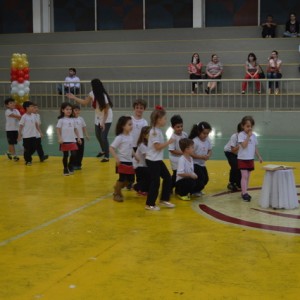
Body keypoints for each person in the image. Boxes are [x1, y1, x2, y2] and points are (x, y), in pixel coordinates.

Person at [67, 78, 113, 162]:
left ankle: (107, 156)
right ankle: (103, 150)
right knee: (98, 135)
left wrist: (103, 123)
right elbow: (84, 102)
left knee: (103, 137)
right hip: (98, 117)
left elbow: (106, 112)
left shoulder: (104, 96)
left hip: (107, 118)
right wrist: (74, 97)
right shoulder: (92, 93)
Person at [145, 105, 175, 211]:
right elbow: (157, 147)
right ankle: (150, 204)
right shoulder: (154, 132)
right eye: (164, 118)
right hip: (152, 160)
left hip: (157, 160)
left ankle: (164, 199)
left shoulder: (158, 130)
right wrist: (169, 142)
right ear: (158, 120)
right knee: (155, 181)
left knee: (167, 177)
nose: (165, 120)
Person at [110, 116, 137, 202]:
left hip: (129, 161)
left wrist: (135, 156)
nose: (131, 126)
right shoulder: (120, 137)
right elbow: (111, 148)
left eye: (131, 124)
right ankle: (117, 194)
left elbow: (131, 148)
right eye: (129, 124)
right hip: (122, 162)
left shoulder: (130, 136)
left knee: (130, 180)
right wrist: (117, 158)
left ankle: (117, 187)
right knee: (122, 179)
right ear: (123, 126)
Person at [238, 116, 263, 202]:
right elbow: (244, 146)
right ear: (243, 126)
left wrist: (259, 156)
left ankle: (244, 191)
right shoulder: (241, 135)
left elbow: (254, 147)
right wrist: (248, 137)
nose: (249, 128)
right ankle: (244, 193)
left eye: (251, 126)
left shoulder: (254, 136)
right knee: (244, 176)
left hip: (250, 159)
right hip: (242, 159)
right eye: (247, 126)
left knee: (248, 176)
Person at [56, 102, 81, 176]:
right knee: (65, 155)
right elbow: (58, 129)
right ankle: (65, 168)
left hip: (72, 140)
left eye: (70, 109)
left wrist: (78, 138)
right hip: (64, 141)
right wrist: (60, 138)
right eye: (67, 109)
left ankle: (70, 165)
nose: (69, 111)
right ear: (63, 110)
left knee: (74, 154)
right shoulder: (61, 120)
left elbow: (75, 129)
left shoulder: (73, 119)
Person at [128, 99, 148, 190]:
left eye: (141, 108)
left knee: (139, 165)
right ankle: (129, 182)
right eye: (137, 108)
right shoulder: (130, 119)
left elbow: (145, 135)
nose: (139, 110)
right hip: (130, 147)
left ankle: (139, 184)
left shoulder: (144, 122)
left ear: (144, 109)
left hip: (139, 147)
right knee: (129, 165)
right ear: (134, 108)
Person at [189, 121, 212, 196]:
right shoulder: (195, 141)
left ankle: (198, 190)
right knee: (200, 178)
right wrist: (201, 157)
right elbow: (191, 153)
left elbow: (210, 150)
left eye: (207, 133)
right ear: (199, 132)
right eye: (204, 133)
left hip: (202, 164)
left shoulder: (207, 140)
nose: (206, 135)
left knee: (206, 179)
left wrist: (208, 155)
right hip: (195, 163)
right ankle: (193, 191)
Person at [168, 115, 188, 190]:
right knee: (176, 174)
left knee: (182, 174)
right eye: (178, 127)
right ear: (173, 127)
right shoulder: (173, 138)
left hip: (182, 158)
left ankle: (178, 188)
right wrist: (183, 153)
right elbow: (172, 150)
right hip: (175, 159)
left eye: (181, 126)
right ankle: (169, 187)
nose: (180, 128)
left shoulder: (185, 134)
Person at [18, 101, 40, 166]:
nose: (33, 107)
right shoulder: (24, 117)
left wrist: (39, 132)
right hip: (26, 136)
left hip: (33, 135)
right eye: (31, 106)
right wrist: (19, 135)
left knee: (34, 147)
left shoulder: (34, 116)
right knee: (27, 148)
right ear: (27, 108)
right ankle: (28, 160)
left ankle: (26, 155)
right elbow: (20, 126)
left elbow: (36, 125)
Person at [224, 122, 242, 192]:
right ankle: (231, 183)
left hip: (237, 153)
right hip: (229, 152)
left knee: (240, 167)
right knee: (235, 165)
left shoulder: (247, 137)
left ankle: (238, 183)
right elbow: (233, 150)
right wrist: (241, 145)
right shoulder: (234, 136)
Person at [133, 126, 151, 196]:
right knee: (146, 177)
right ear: (144, 135)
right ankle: (136, 187)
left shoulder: (149, 144)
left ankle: (142, 188)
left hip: (144, 165)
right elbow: (147, 157)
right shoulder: (142, 145)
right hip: (139, 166)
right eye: (149, 134)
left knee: (148, 179)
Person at [73, 104, 89, 170]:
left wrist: (86, 134)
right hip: (73, 138)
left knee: (80, 152)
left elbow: (84, 127)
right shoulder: (71, 119)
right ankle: (73, 164)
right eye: (75, 110)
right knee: (74, 152)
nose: (77, 112)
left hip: (81, 137)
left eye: (78, 110)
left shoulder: (81, 119)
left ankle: (79, 164)